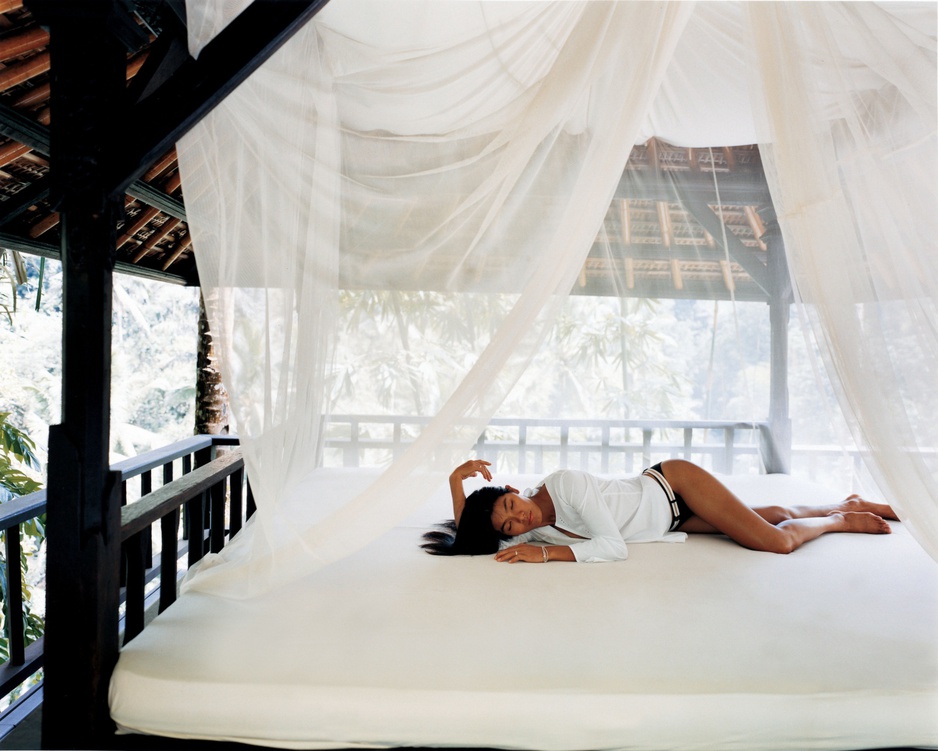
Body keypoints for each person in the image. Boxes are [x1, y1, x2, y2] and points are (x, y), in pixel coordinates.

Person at [421, 458, 897, 562]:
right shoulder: (533, 532)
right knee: (771, 512)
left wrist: (546, 558)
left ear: (512, 488)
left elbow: (613, 548)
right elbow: (472, 537)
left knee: (777, 540)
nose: (517, 521)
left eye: (510, 505)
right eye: (508, 525)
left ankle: (840, 520)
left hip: (674, 485)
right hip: (670, 517)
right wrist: (453, 482)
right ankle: (846, 501)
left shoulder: (563, 486)